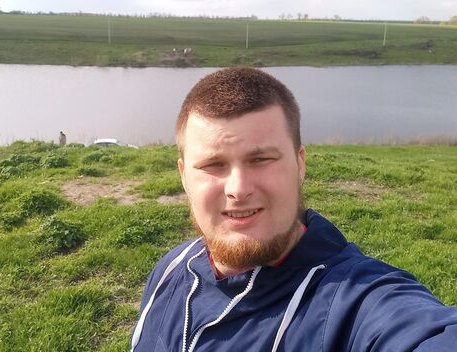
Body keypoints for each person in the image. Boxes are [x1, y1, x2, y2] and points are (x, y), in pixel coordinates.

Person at [131, 68, 457, 351]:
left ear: (299, 165)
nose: (238, 189)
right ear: (183, 175)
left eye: (261, 159)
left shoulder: (354, 301)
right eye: (213, 165)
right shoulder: (171, 268)